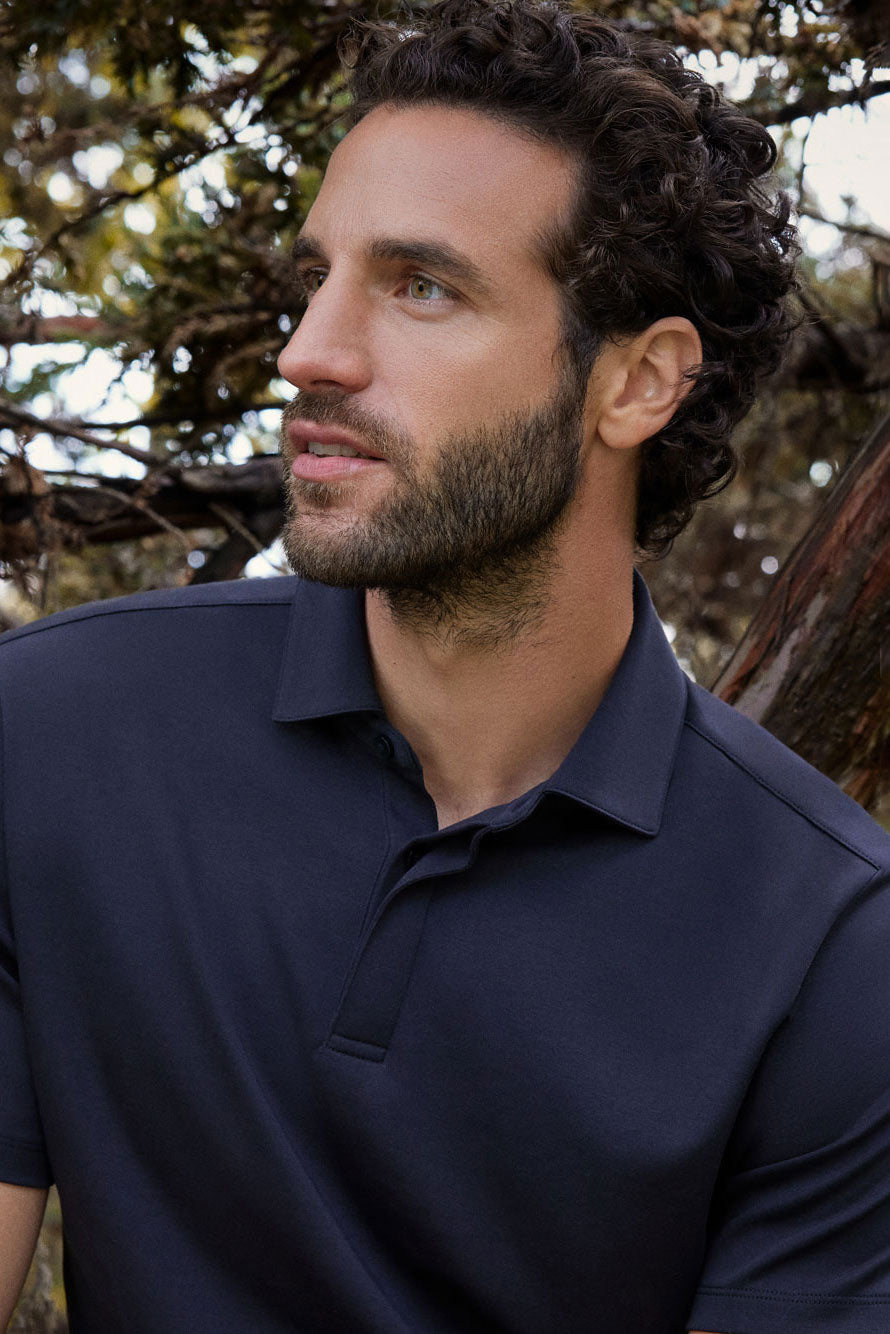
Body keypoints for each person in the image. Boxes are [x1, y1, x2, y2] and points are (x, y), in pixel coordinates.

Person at [2, 0, 889, 1329]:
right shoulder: (53, 731)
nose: (309, 351)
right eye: (320, 275)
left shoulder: (832, 945)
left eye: (421, 286)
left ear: (639, 383)